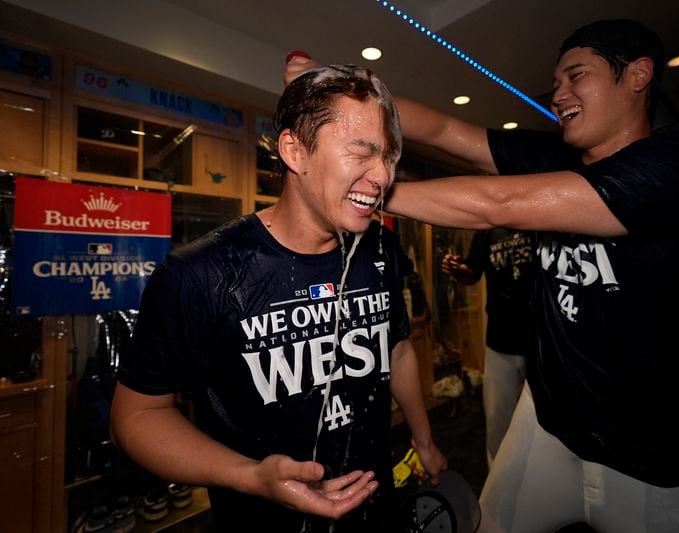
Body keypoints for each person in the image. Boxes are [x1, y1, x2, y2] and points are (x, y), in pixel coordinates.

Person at [286, 17, 679, 533]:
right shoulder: (558, 153)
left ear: (637, 75)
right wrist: (330, 88)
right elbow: (440, 130)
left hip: (653, 453)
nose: (558, 92)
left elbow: (498, 203)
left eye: (576, 75)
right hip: (550, 420)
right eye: (556, 82)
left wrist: (355, 191)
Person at [110, 64, 446, 532]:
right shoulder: (199, 274)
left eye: (388, 158)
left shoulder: (382, 249)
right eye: (362, 152)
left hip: (374, 506)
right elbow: (137, 417)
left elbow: (397, 347)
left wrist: (423, 437)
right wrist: (251, 477)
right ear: (294, 150)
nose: (382, 176)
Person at [440, 229, 532, 467]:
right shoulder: (488, 226)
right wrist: (460, 271)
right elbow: (473, 272)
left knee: (546, 423)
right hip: (499, 339)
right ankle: (497, 488)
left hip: (541, 340)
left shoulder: (537, 216)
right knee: (497, 421)